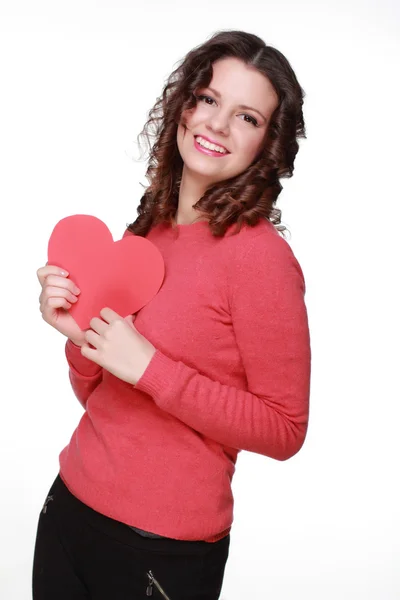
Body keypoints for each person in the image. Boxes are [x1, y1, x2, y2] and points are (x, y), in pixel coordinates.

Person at [33, 30, 311, 600]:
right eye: (208, 99)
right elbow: (104, 398)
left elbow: (286, 429)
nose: (217, 124)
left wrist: (153, 368)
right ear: (183, 106)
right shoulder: (148, 229)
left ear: (269, 143)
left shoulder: (260, 258)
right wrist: (78, 334)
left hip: (161, 551)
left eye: (247, 117)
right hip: (69, 510)